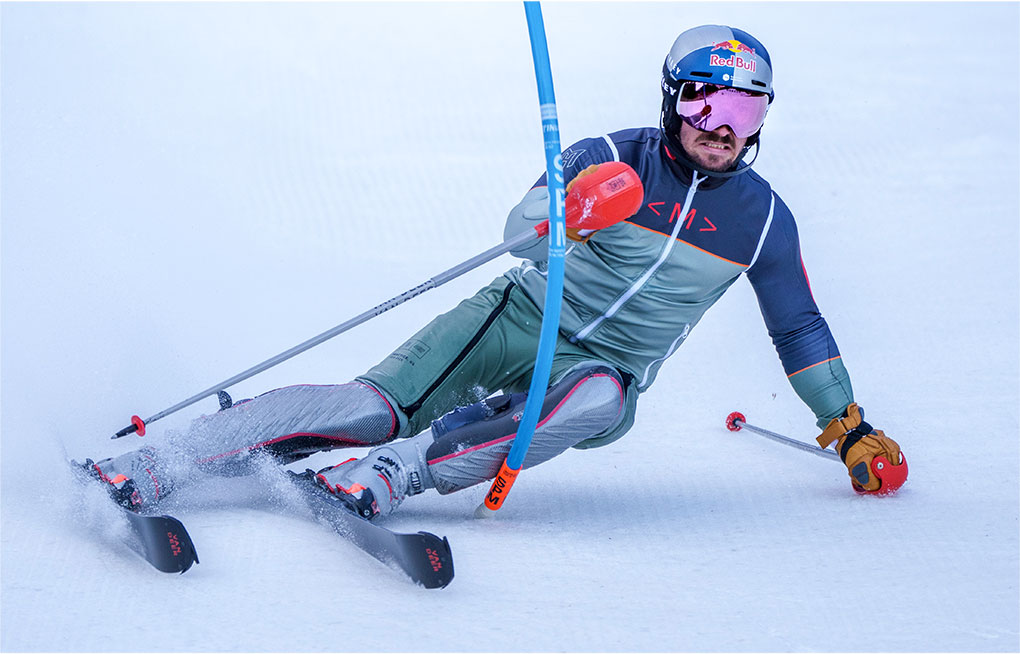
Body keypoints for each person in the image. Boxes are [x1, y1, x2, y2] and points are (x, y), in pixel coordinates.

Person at [84, 25, 906, 519]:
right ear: (671, 99)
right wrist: (569, 213)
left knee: (596, 400)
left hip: (602, 365)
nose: (719, 128)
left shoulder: (762, 219)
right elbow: (518, 231)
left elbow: (798, 326)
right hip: (518, 312)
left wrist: (850, 427)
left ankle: (394, 476)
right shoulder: (613, 155)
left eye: (743, 110)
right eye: (703, 102)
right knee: (372, 408)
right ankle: (169, 458)